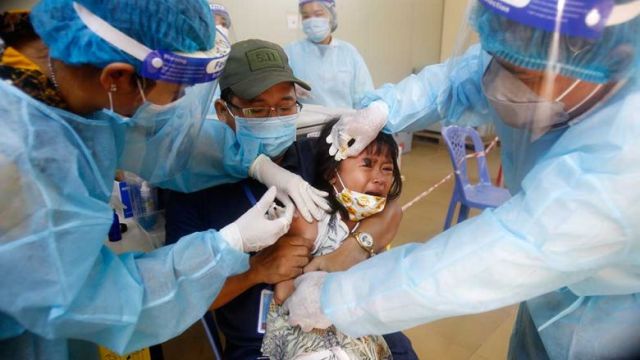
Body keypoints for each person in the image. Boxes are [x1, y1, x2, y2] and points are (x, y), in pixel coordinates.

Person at [285, 0, 640, 359]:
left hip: (611, 319)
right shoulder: (530, 54)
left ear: (614, 57)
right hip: (548, 297)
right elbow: (458, 78)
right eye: (500, 61)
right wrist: (385, 108)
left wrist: (337, 298)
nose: (501, 85)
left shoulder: (623, 157)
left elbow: (501, 252)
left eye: (526, 76)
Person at [0, 1, 329, 359]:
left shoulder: (64, 78)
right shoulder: (19, 161)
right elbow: (94, 303)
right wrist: (227, 246)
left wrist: (255, 163)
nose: (183, 100)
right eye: (177, 91)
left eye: (284, 107)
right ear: (117, 77)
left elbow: (158, 145)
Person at [164, 39, 417, 360]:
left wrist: (344, 255)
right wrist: (257, 271)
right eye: (257, 108)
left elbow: (390, 207)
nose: (274, 118)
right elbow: (182, 299)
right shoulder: (192, 185)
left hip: (346, 317)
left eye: (285, 107)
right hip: (264, 344)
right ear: (222, 111)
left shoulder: (318, 156)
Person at [261, 119, 408, 360]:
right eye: (367, 164)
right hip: (308, 333)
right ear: (332, 173)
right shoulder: (311, 220)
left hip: (356, 326)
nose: (379, 177)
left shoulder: (377, 219)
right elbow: (283, 290)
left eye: (387, 168)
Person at [285, 0, 374, 109]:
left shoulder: (349, 52)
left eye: (318, 14)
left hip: (345, 123)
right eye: (306, 16)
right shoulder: (291, 52)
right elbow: (279, 95)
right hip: (306, 124)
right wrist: (289, 89)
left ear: (331, 16)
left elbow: (364, 97)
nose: (312, 20)